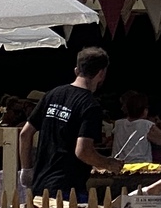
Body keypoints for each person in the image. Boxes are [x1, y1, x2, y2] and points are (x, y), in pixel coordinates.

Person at [24, 46, 120, 198]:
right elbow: (83, 151)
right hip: (69, 189)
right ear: (101, 73)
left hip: (40, 183)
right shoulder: (90, 105)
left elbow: (25, 133)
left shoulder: (52, 94)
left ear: (77, 70)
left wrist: (26, 170)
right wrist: (108, 163)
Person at [109, 88, 161, 164]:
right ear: (145, 110)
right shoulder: (146, 125)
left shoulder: (118, 124)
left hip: (118, 165)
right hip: (139, 166)